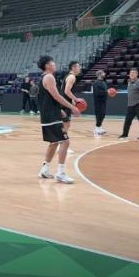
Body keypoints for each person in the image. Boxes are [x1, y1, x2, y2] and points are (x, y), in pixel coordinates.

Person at [36, 55, 81, 183]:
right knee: (65, 142)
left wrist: (60, 110)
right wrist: (72, 107)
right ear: (47, 65)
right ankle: (61, 173)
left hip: (48, 115)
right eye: (53, 63)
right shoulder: (49, 77)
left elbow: (48, 98)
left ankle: (44, 169)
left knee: (54, 142)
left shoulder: (43, 78)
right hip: (51, 116)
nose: (55, 64)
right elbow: (56, 96)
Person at [118, 68, 139, 140]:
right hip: (130, 105)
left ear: (137, 74)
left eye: (133, 73)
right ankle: (125, 135)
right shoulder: (129, 82)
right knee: (127, 120)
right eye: (131, 72)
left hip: (138, 104)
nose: (132, 74)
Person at [61, 61, 84, 153]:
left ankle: (61, 145)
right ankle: (62, 146)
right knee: (65, 125)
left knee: (66, 124)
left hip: (65, 102)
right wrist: (76, 99)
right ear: (73, 68)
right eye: (78, 67)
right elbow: (66, 91)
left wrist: (73, 101)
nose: (80, 68)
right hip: (65, 104)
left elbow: (64, 91)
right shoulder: (72, 77)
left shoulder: (69, 76)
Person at [92, 70, 108, 135]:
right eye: (103, 73)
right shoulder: (96, 83)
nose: (104, 74)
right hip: (98, 101)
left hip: (103, 101)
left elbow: (105, 91)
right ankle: (97, 129)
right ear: (99, 74)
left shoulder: (104, 82)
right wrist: (106, 92)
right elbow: (97, 93)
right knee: (99, 114)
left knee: (103, 114)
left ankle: (99, 127)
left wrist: (108, 93)